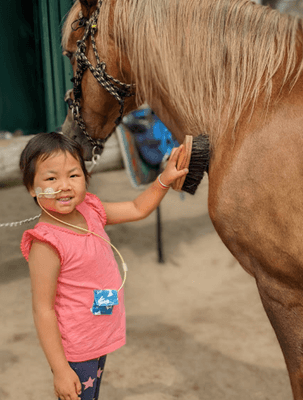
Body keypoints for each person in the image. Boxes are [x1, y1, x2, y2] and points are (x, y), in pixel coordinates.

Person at [19, 132, 188, 400]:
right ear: (31, 187)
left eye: (73, 175)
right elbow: (43, 310)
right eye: (51, 178)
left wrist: (164, 179)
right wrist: (61, 370)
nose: (64, 185)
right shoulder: (46, 243)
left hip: (98, 336)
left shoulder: (90, 209)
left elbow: (136, 208)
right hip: (77, 349)